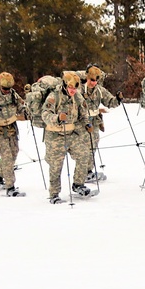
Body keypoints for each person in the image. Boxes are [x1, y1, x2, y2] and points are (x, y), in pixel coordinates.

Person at [42, 71, 93, 203]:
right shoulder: (54, 96)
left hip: (71, 134)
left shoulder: (77, 96)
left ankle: (78, 184)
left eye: (75, 88)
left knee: (84, 154)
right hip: (55, 136)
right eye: (70, 88)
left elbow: (83, 112)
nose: (72, 90)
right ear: (65, 85)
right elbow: (45, 114)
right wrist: (57, 117)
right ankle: (54, 194)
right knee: (56, 165)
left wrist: (87, 123)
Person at [80, 65, 121, 182]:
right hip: (82, 121)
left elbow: (109, 101)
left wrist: (117, 99)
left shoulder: (99, 90)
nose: (94, 83)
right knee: (84, 147)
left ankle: (88, 170)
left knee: (93, 145)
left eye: (96, 80)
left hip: (94, 121)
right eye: (92, 80)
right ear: (87, 78)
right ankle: (82, 172)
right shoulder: (80, 90)